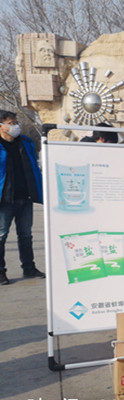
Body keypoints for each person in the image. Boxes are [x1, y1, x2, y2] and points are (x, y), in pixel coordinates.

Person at [0, 110, 45, 285]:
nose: (16, 126)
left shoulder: (25, 142)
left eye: (16, 122)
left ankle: (29, 267)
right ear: (1, 126)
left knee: (25, 235)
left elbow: (34, 167)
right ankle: (1, 272)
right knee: (1, 235)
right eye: (11, 123)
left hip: (25, 196)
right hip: (5, 199)